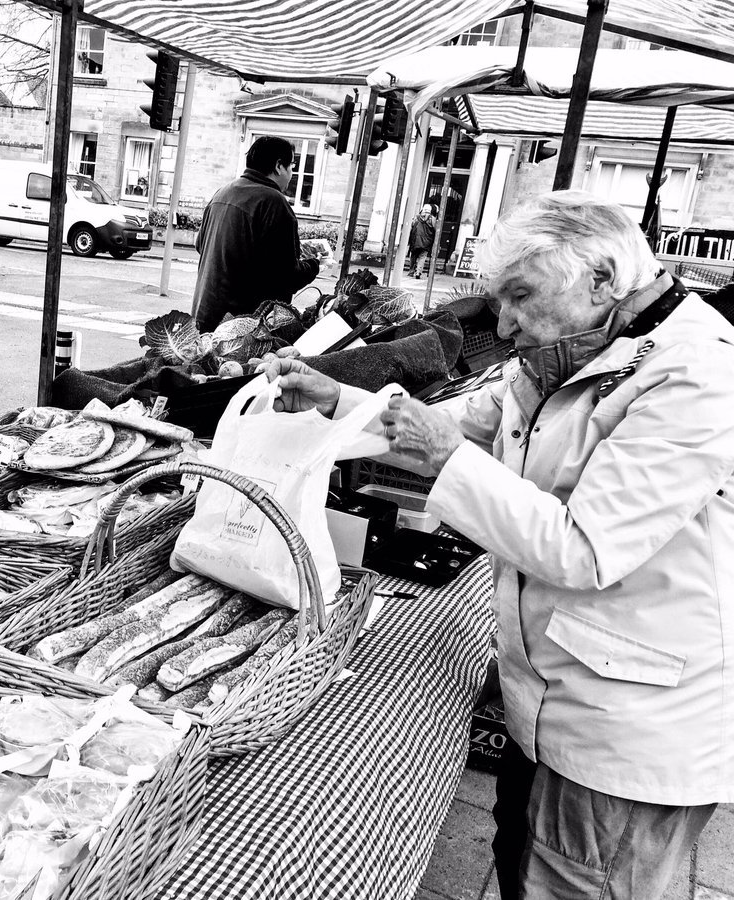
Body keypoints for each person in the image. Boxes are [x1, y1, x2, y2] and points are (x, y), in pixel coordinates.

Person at [263, 191, 734, 899]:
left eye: (520, 297)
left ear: (602, 279)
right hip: (553, 699)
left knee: (581, 884)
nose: (506, 325)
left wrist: (447, 458)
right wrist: (335, 400)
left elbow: (583, 549)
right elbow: (447, 420)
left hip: (627, 727)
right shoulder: (567, 349)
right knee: (523, 862)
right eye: (498, 301)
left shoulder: (697, 374)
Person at [190, 136, 320, 333]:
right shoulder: (274, 202)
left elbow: (201, 245)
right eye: (291, 166)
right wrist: (314, 264)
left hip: (205, 316)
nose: (292, 173)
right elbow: (287, 276)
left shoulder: (223, 192)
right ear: (278, 166)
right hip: (243, 326)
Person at [407, 203, 436, 277]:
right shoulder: (432, 219)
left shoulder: (417, 217)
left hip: (416, 240)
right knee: (422, 257)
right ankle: (418, 272)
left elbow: (412, 227)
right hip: (427, 241)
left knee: (413, 256)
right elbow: (435, 230)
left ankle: (411, 271)